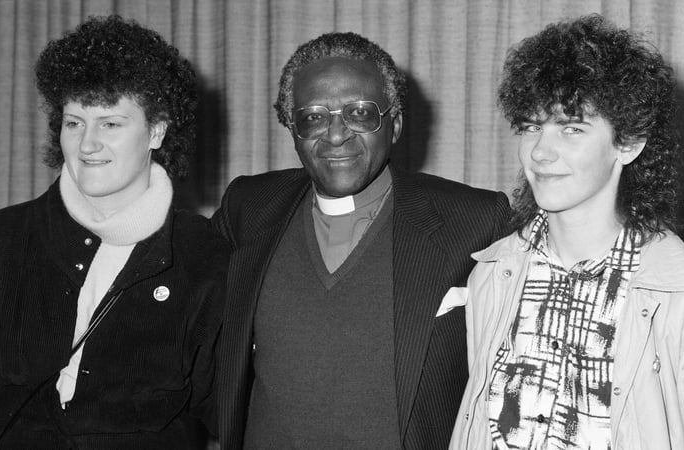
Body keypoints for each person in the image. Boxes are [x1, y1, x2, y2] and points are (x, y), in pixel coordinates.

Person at [450, 14, 684, 449]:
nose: (540, 151)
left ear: (628, 143)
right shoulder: (493, 273)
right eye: (532, 126)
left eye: (571, 128)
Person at [211, 32, 513, 448]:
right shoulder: (249, 208)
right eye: (313, 117)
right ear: (292, 130)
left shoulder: (474, 220)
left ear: (395, 125)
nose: (336, 134)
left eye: (360, 113)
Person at [0, 15, 226, 448]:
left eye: (110, 124)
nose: (87, 144)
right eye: (74, 122)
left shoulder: (200, 253)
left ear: (156, 131)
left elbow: (228, 409)